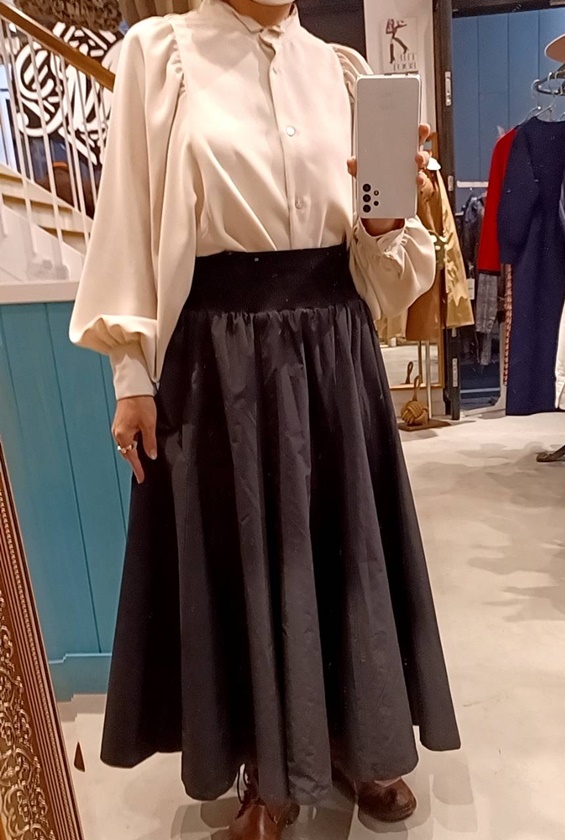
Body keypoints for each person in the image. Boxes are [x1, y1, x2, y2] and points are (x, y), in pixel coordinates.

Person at [69, 1, 460, 838]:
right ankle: (270, 776)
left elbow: (381, 280)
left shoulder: (342, 72)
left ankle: (355, 741)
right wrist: (131, 373)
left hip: (335, 352)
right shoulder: (159, 56)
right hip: (219, 360)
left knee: (345, 552)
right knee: (246, 564)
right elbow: (128, 221)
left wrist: (386, 221)